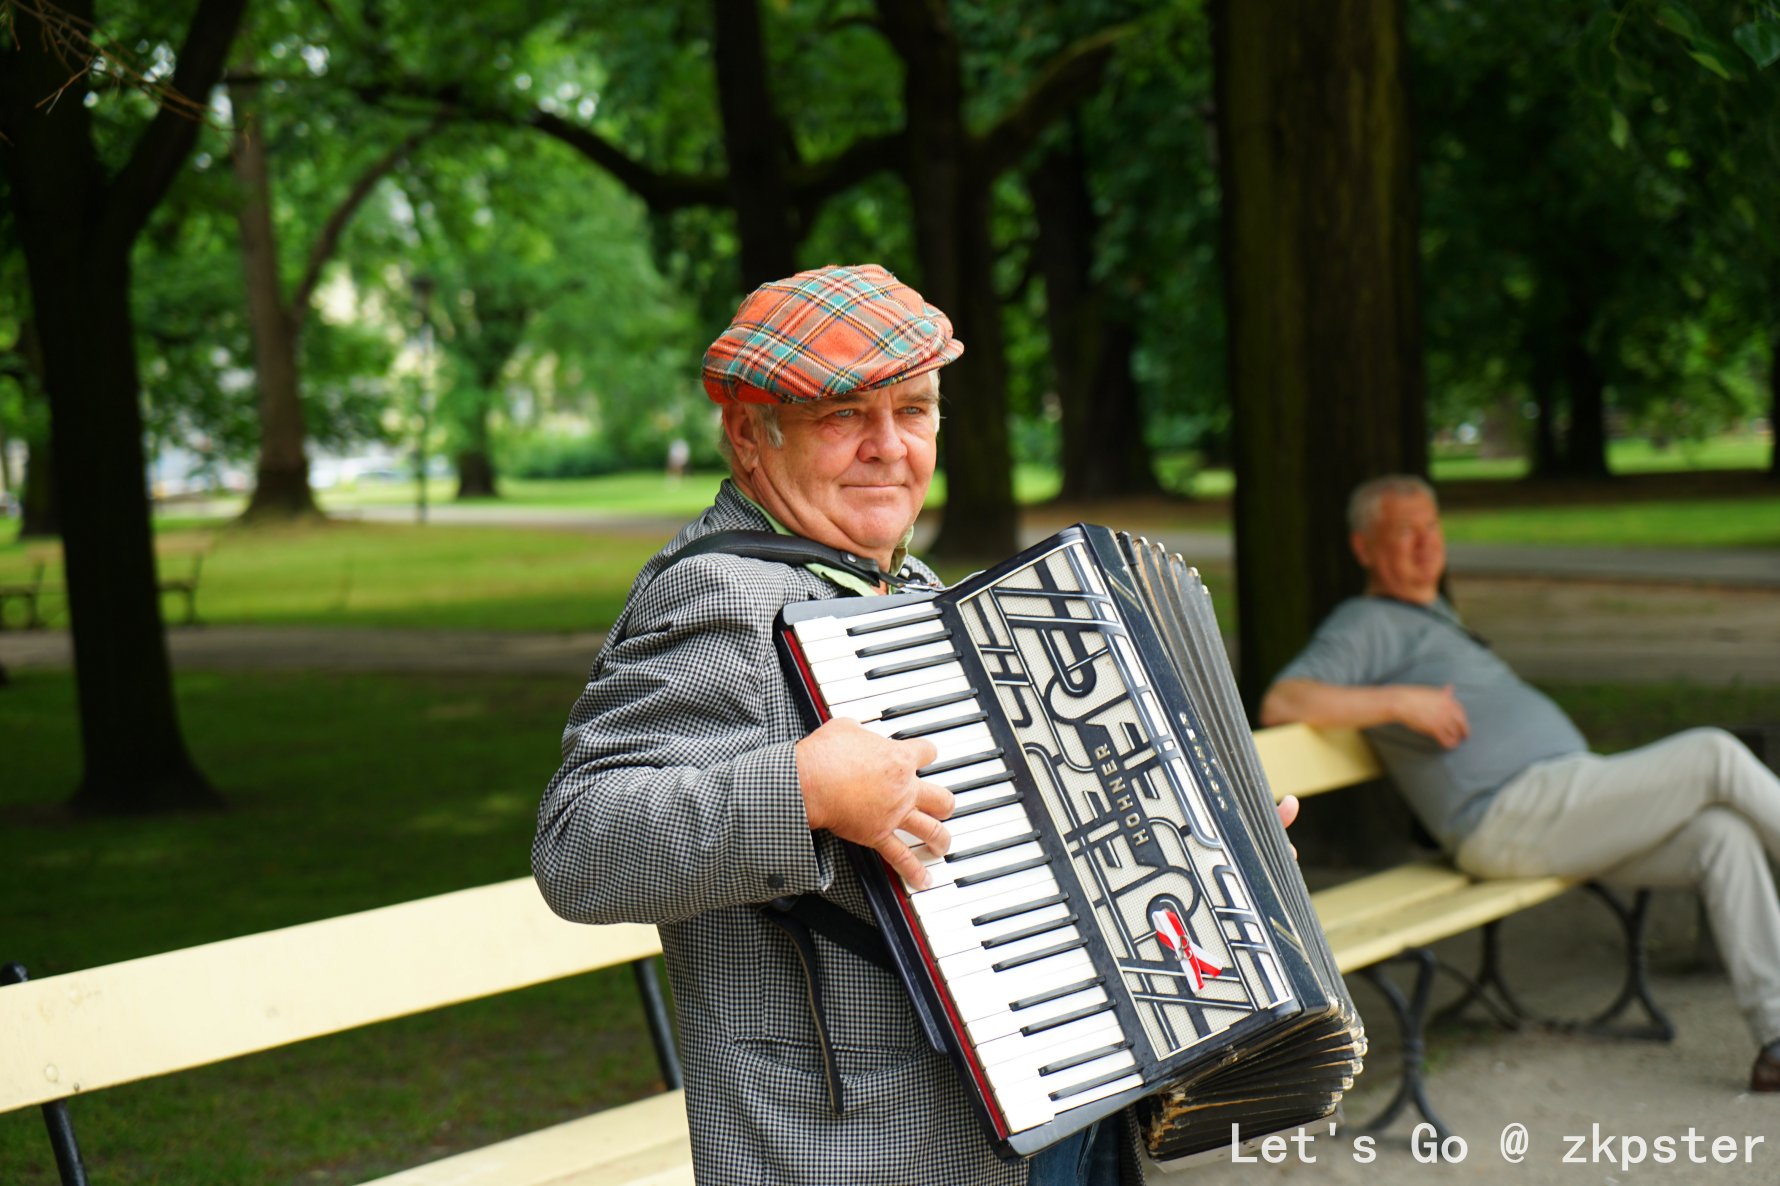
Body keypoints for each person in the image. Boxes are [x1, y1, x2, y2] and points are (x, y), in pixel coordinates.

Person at [533, 264, 1145, 1185]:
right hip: (866, 1145)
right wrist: (804, 789)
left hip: (1046, 1099)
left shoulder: (916, 587)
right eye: (843, 415)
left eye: (915, 409)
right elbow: (580, 848)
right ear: (750, 433)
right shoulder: (719, 596)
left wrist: (1193, 846)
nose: (890, 447)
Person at [1260, 473, 1780, 1092]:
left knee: (1721, 836)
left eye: (1431, 527)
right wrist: (1399, 701)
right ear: (1364, 548)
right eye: (1404, 531)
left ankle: (1775, 1040)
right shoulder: (1366, 621)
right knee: (1713, 755)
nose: (1425, 544)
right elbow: (1283, 701)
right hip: (1510, 813)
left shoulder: (1434, 617)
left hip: (1566, 802)